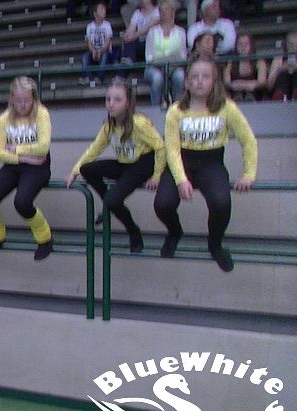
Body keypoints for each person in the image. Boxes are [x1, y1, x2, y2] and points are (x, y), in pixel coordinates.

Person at [153, 58, 257, 272]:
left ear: (214, 81)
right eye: (194, 77)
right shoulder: (175, 111)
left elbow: (248, 140)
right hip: (182, 160)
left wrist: (249, 174)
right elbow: (172, 149)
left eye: (205, 76)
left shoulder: (227, 108)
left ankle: (215, 244)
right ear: (187, 82)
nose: (199, 81)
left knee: (221, 203)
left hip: (211, 162)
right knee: (162, 204)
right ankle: (174, 232)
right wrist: (181, 180)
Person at [66, 78, 166, 253]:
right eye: (108, 99)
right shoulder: (109, 126)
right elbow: (94, 149)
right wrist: (74, 171)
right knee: (87, 169)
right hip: (124, 163)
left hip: (142, 164)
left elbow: (160, 147)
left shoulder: (139, 123)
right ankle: (108, 203)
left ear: (128, 103)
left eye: (117, 100)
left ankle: (133, 231)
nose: (110, 104)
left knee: (113, 200)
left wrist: (156, 175)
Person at [0, 77, 53, 259]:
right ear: (12, 99)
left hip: (38, 168)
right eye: (18, 100)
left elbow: (43, 147)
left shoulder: (42, 114)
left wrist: (16, 149)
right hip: (15, 165)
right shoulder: (4, 118)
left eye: (27, 100)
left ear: (34, 98)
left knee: (22, 202)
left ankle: (45, 238)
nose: (22, 105)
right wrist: (25, 157)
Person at [144, 0, 188, 108]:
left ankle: (177, 107)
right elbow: (149, 58)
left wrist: (166, 62)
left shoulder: (181, 32)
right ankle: (155, 107)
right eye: (161, 10)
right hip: (154, 68)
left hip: (175, 67)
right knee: (157, 78)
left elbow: (182, 56)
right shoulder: (152, 32)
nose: (163, 12)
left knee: (180, 76)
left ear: (173, 12)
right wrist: (168, 60)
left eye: (167, 9)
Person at [223, 33, 268, 102]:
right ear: (236, 46)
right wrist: (234, 85)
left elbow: (262, 82)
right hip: (235, 93)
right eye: (240, 44)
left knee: (251, 95)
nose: (243, 47)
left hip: (255, 94)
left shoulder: (259, 61)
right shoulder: (230, 62)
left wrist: (245, 85)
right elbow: (226, 82)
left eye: (246, 44)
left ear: (251, 46)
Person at [80, 2, 113, 85]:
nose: (104, 11)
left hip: (105, 51)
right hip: (93, 50)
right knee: (85, 57)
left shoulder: (107, 25)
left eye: (104, 9)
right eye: (101, 9)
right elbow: (89, 43)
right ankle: (87, 77)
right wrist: (93, 51)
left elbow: (107, 42)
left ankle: (99, 78)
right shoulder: (89, 26)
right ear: (95, 13)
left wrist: (100, 51)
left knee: (105, 56)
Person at [120, 0, 160, 64]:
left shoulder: (157, 11)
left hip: (153, 44)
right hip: (141, 43)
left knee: (133, 39)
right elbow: (131, 28)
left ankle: (129, 60)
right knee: (128, 40)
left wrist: (134, 36)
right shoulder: (137, 12)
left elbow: (147, 28)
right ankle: (128, 61)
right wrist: (127, 35)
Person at [267, 30, 297, 101]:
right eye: (291, 44)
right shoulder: (279, 58)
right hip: (282, 93)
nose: (294, 48)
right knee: (282, 76)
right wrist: (280, 69)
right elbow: (269, 86)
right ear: (286, 45)